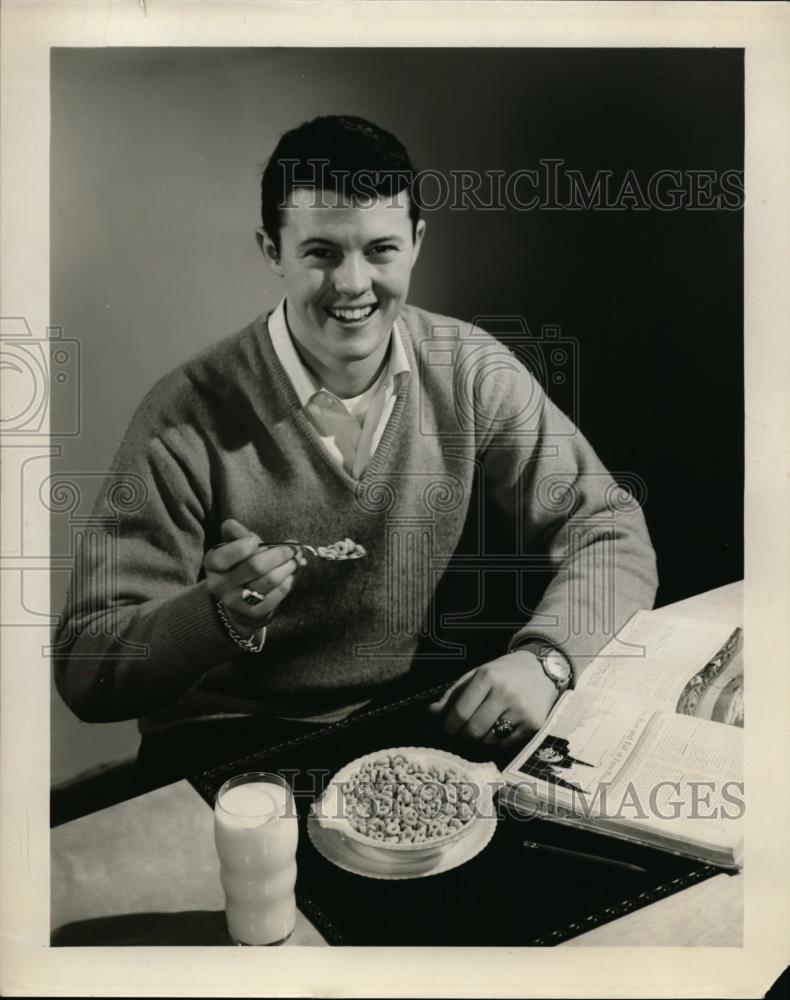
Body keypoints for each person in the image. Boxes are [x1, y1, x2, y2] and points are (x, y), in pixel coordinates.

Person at [53, 115, 658, 788]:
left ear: (416, 244)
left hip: (398, 715)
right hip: (220, 742)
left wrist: (548, 662)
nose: (352, 285)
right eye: (320, 253)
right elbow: (83, 669)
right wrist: (213, 615)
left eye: (380, 251)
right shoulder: (185, 414)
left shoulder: (469, 370)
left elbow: (611, 529)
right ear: (272, 251)